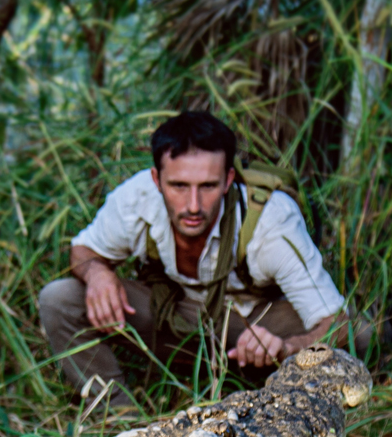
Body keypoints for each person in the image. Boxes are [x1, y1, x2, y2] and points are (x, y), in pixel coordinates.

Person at [38, 110, 364, 411]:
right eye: (178, 186)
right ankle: (119, 420)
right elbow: (82, 251)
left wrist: (287, 348)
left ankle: (276, 399)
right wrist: (97, 272)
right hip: (174, 315)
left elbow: (338, 323)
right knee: (60, 298)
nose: (193, 205)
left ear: (228, 180)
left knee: (362, 333)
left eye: (207, 186)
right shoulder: (135, 199)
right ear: (156, 179)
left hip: (252, 323)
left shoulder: (272, 220)